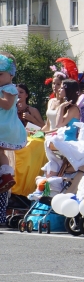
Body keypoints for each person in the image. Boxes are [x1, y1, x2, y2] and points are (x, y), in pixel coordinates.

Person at [0, 55, 26, 193]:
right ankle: (5, 175)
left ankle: (6, 175)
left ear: (11, 75)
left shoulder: (9, 88)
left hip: (4, 126)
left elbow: (7, 104)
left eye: (0, 74)